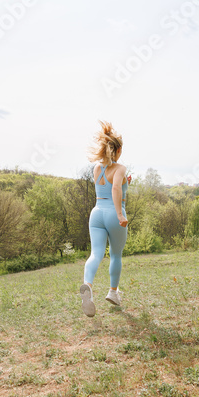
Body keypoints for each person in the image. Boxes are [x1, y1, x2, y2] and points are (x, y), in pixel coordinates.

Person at [79, 121, 131, 317]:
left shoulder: (96, 168)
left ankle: (88, 286)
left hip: (97, 213)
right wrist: (119, 214)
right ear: (117, 150)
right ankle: (113, 293)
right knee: (116, 255)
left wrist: (125, 183)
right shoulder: (120, 168)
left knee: (96, 254)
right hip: (113, 214)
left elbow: (108, 186)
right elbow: (115, 188)